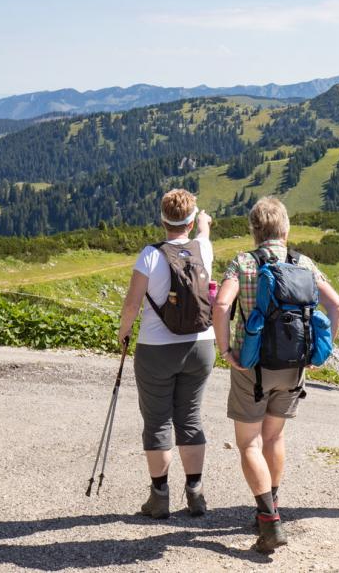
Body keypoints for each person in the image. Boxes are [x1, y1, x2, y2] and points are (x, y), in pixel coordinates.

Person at [212, 197, 339, 553]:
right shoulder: (305, 263)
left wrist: (226, 351)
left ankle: (269, 520)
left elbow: (222, 304)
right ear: (286, 229)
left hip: (252, 366)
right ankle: (272, 506)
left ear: (254, 230)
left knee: (249, 443)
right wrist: (320, 352)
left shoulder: (243, 262)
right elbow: (338, 305)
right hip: (294, 366)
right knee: (274, 439)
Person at [118, 189, 216, 519]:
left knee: (158, 420)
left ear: (162, 220)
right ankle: (195, 492)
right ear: (190, 221)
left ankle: (159, 497)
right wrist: (203, 222)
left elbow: (132, 303)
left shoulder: (149, 255)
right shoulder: (203, 247)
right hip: (201, 345)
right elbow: (203, 231)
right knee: (190, 417)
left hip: (156, 348)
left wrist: (124, 331)